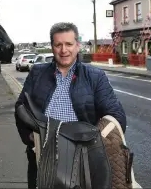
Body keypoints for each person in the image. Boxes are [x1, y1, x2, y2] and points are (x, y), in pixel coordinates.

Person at [14, 22, 126, 189]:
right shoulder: (37, 73)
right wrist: (31, 140)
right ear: (52, 47)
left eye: (68, 44)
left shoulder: (95, 76)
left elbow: (116, 116)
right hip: (43, 156)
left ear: (77, 46)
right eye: (58, 44)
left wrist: (94, 143)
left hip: (84, 161)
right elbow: (21, 108)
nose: (63, 50)